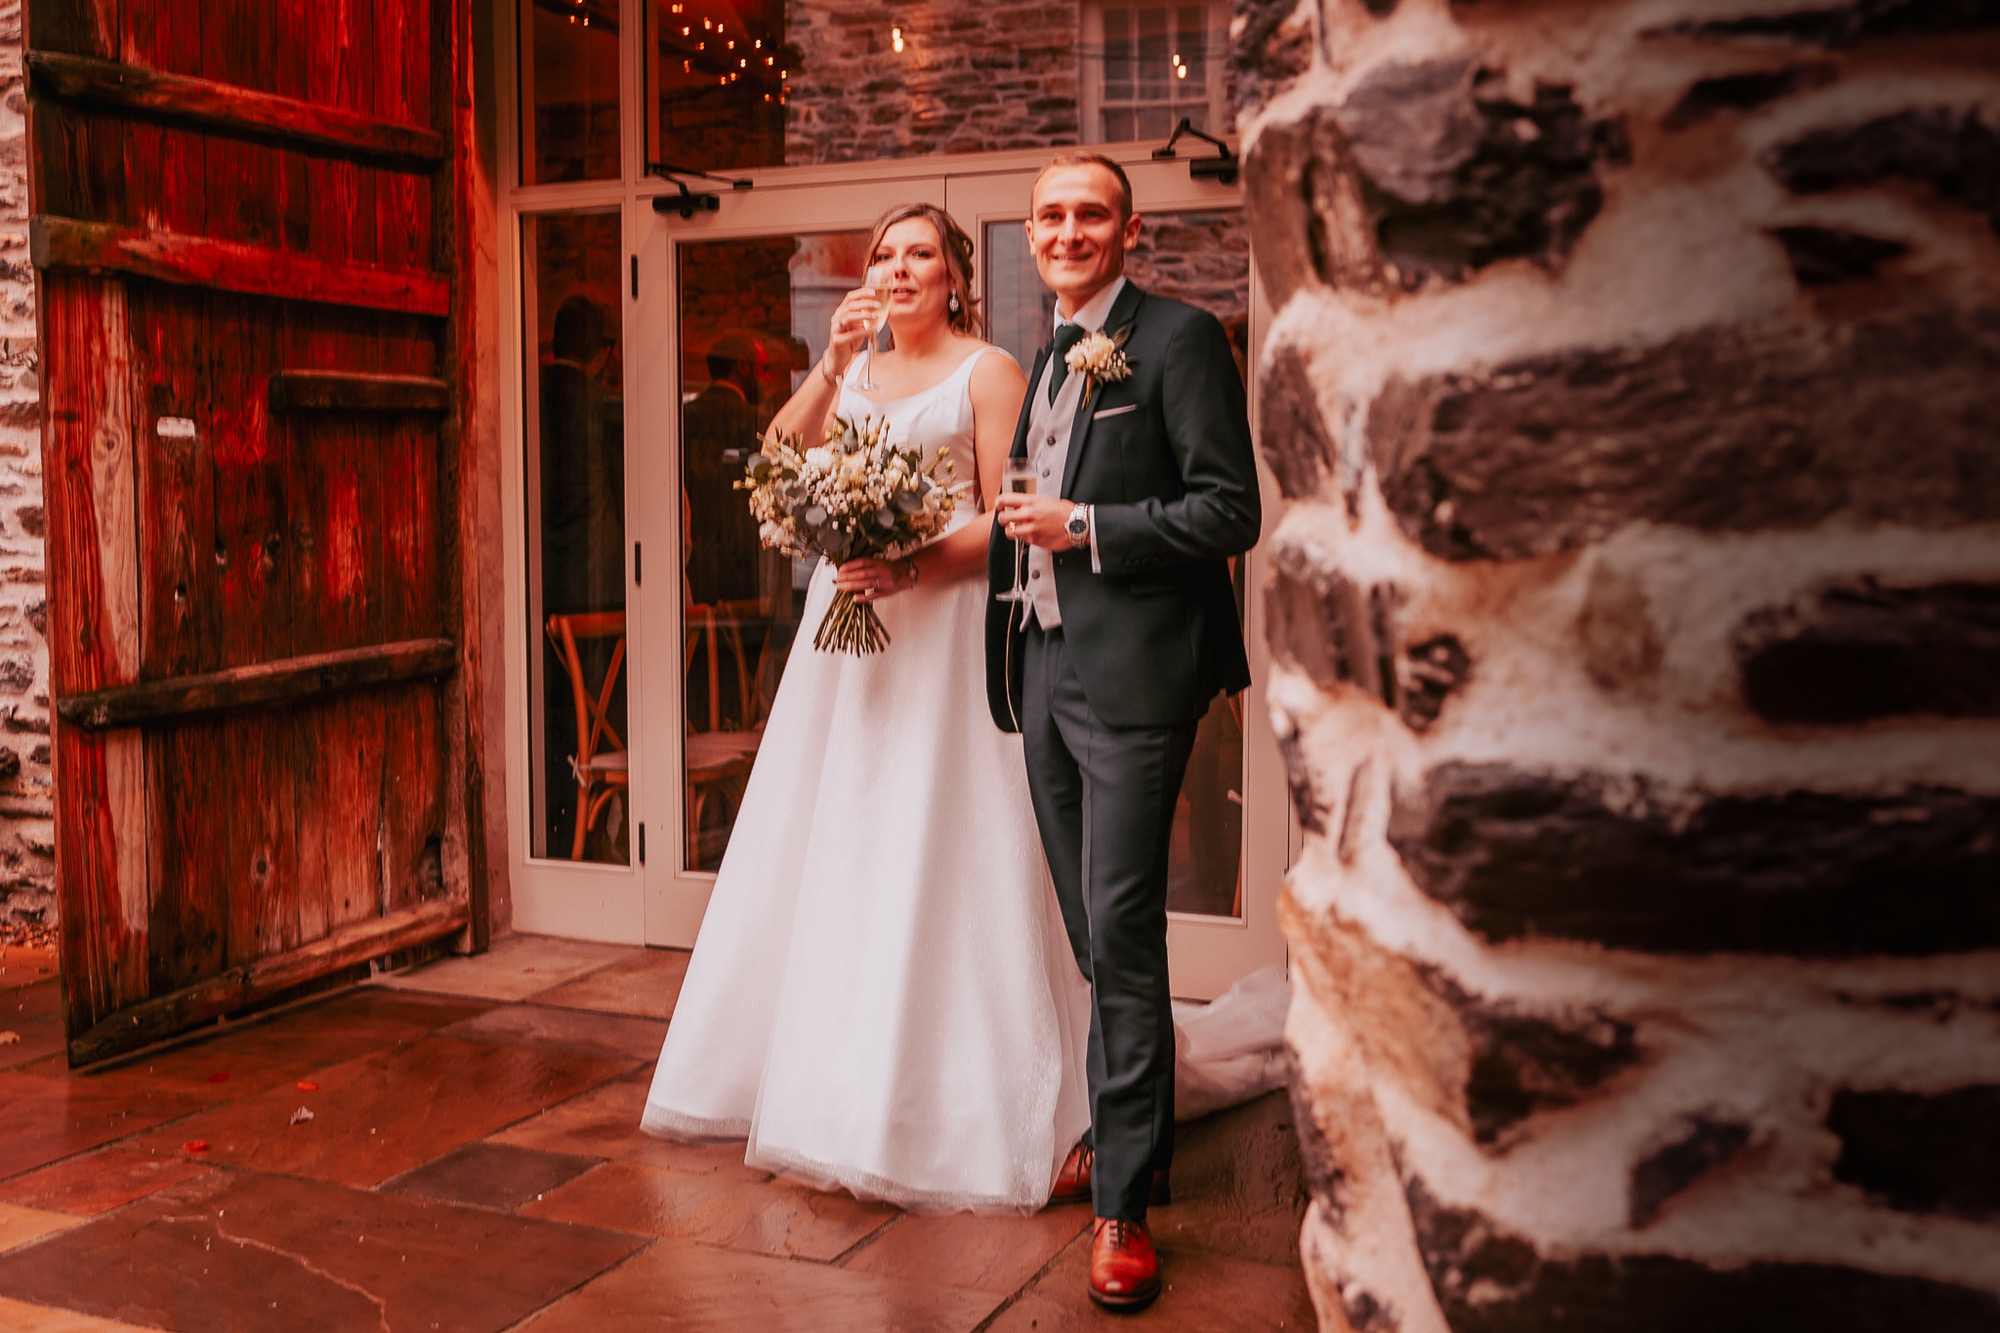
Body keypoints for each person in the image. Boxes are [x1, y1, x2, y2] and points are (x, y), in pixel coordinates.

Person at [640, 204, 1097, 1212]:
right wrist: (827, 363)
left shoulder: (986, 371)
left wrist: (909, 560)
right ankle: (829, 1081)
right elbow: (774, 457)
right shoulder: (849, 370)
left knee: (938, 840)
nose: (898, 271)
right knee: (837, 837)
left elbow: (1005, 515)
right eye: (884, 256)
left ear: (953, 278)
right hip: (846, 633)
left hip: (938, 631)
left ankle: (950, 1096)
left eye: (919, 255)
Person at [987, 151, 1262, 1310]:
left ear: (1127, 229)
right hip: (1042, 667)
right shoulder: (1046, 349)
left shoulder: (1177, 339)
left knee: (1123, 927)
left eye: (1087, 213)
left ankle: (1123, 1206)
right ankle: (1126, 1125)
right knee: (1092, 935)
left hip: (1135, 678)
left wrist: (1083, 521)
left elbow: (1227, 508)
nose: (1066, 230)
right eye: (1048, 215)